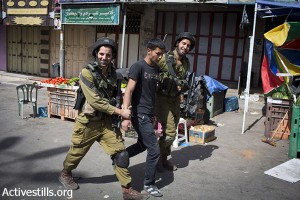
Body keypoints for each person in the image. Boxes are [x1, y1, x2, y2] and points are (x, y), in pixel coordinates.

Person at [58, 37, 146, 200]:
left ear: (112, 56)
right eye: (101, 54)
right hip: (88, 123)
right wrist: (120, 112)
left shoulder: (115, 74)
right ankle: (65, 173)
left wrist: (125, 114)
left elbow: (120, 95)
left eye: (108, 55)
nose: (104, 58)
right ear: (96, 54)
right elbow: (95, 101)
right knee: (76, 153)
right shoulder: (86, 73)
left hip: (107, 123)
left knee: (121, 155)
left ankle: (127, 190)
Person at [121, 38, 166, 197]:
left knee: (143, 144)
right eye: (157, 53)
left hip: (149, 113)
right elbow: (129, 91)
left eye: (162, 54)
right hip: (139, 113)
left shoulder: (157, 70)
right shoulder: (138, 66)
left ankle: (121, 157)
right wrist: (126, 116)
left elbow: (152, 94)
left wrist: (155, 116)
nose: (160, 57)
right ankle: (149, 183)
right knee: (154, 149)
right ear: (149, 50)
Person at [155, 32, 195, 171]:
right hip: (161, 98)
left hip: (175, 99)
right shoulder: (164, 58)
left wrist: (181, 90)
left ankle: (163, 159)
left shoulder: (186, 62)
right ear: (177, 43)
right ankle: (155, 158)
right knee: (170, 132)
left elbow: (182, 79)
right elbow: (150, 70)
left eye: (188, 46)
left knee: (172, 131)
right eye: (183, 43)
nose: (185, 47)